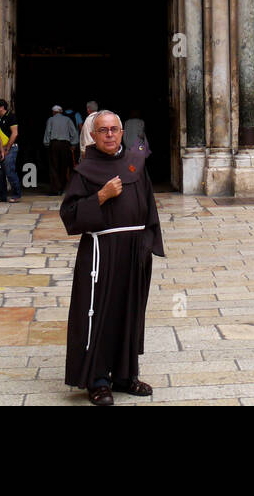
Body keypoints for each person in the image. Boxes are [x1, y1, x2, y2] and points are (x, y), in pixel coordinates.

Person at [60, 111, 164, 405]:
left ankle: (124, 375)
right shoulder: (85, 171)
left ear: (121, 133)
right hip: (101, 253)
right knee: (99, 314)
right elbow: (69, 216)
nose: (109, 134)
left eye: (114, 129)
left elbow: (149, 206)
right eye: (103, 130)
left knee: (129, 312)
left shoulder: (135, 164)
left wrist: (147, 243)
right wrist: (101, 197)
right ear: (92, 136)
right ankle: (97, 380)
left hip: (134, 251)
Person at [44, 103, 80, 195]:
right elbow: (74, 133)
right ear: (61, 112)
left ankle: (55, 189)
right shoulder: (67, 119)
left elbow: (48, 132)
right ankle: (62, 188)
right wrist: (73, 144)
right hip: (65, 145)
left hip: (54, 144)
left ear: (53, 112)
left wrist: (47, 144)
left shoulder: (51, 119)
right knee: (63, 166)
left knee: (53, 167)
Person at [0, 98, 22, 203]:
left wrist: (7, 148)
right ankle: (1, 196)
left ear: (2, 107)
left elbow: (15, 133)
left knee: (9, 171)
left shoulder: (11, 116)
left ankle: (16, 194)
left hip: (10, 148)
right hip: (0, 148)